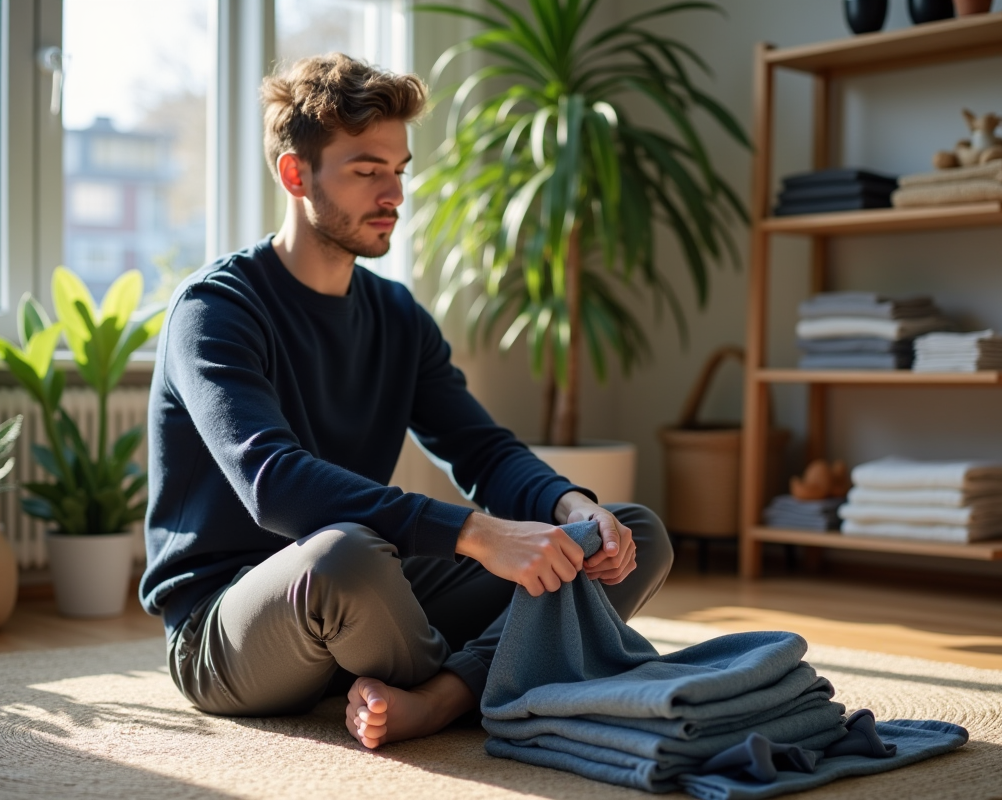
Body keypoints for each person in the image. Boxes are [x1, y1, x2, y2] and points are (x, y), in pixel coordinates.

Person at [139, 53, 674, 750]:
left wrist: (572, 508)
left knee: (626, 533)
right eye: (367, 171)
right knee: (344, 557)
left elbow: (481, 450)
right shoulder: (214, 310)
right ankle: (495, 671)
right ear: (296, 175)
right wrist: (478, 533)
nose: (393, 192)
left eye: (399, 170)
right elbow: (273, 483)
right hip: (230, 623)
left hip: (377, 599)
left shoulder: (397, 316)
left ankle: (439, 698)